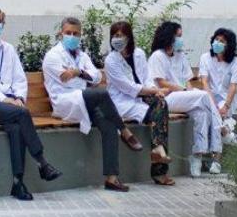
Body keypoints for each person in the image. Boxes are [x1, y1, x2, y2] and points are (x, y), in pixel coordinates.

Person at [0, 6, 62, 201]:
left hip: (11, 106)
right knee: (22, 114)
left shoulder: (8, 49)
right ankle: (42, 162)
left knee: (16, 128)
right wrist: (6, 100)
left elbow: (19, 79)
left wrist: (19, 98)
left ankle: (18, 183)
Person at [44, 17, 144, 192]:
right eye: (68, 33)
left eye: (75, 33)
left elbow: (98, 77)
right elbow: (66, 81)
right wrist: (83, 76)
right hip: (65, 102)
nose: (72, 36)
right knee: (101, 93)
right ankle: (125, 131)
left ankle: (112, 179)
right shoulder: (52, 56)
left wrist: (78, 72)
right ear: (61, 34)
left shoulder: (82, 56)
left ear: (80, 35)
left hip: (85, 99)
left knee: (109, 125)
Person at [103, 20, 174, 186]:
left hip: (141, 96)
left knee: (161, 105)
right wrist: (154, 91)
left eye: (120, 35)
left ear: (129, 37)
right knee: (159, 109)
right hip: (122, 102)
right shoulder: (111, 60)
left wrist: (154, 91)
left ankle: (158, 152)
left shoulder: (139, 54)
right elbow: (127, 87)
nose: (116, 39)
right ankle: (159, 170)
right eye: (114, 36)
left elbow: (147, 77)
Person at [147, 20, 221, 176]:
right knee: (204, 96)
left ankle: (197, 156)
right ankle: (223, 132)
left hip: (184, 97)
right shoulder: (157, 56)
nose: (181, 40)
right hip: (166, 99)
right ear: (169, 37)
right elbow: (161, 82)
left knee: (201, 113)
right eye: (178, 36)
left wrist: (187, 90)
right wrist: (185, 89)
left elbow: (187, 79)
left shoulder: (180, 56)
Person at [197, 27, 237, 150]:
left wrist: (226, 106)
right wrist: (214, 105)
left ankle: (216, 159)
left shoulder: (235, 61)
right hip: (210, 97)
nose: (217, 43)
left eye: (222, 41)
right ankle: (226, 133)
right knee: (212, 111)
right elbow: (204, 82)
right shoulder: (205, 58)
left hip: (228, 100)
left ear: (229, 45)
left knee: (220, 111)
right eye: (216, 39)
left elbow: (233, 85)